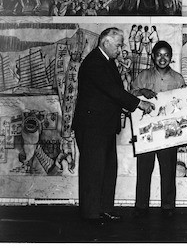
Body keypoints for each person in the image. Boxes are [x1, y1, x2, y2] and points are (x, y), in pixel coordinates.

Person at [72, 27, 154, 225]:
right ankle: (91, 214)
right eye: (118, 45)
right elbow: (111, 90)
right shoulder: (94, 62)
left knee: (107, 169)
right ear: (105, 42)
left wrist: (133, 97)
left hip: (104, 126)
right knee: (93, 170)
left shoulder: (106, 61)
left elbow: (113, 92)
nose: (120, 49)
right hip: (93, 127)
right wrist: (138, 104)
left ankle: (104, 209)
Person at [131, 41, 186, 218]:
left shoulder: (178, 78)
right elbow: (129, 95)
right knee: (144, 170)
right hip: (147, 132)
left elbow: (183, 103)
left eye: (166, 55)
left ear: (171, 57)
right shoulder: (143, 76)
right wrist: (142, 92)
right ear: (153, 56)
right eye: (159, 55)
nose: (163, 58)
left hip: (169, 132)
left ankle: (168, 206)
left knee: (168, 170)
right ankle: (141, 206)